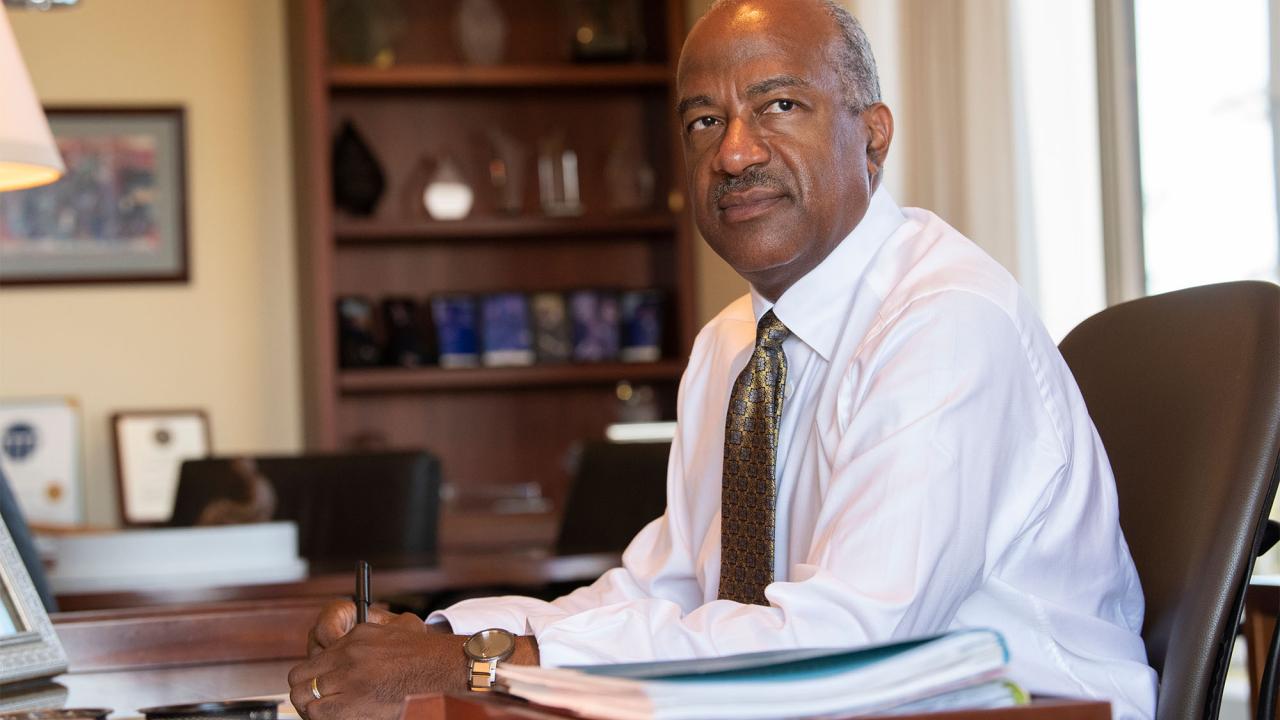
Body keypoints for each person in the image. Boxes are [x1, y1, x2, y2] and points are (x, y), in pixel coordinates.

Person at [288, 1, 1157, 717]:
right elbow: (662, 594)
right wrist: (434, 640)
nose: (734, 151)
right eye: (706, 121)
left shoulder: (944, 322)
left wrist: (483, 664)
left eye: (779, 105)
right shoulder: (731, 346)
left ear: (873, 138)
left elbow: (848, 642)